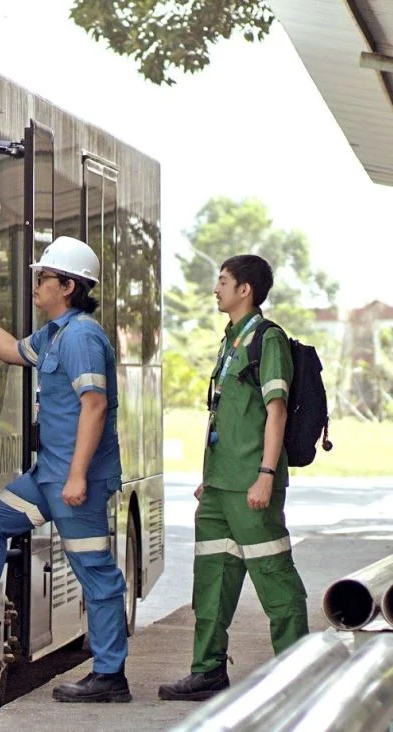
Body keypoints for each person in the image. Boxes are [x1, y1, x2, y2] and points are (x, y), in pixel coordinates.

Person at [0, 235, 130, 704]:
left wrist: (78, 476)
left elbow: (95, 406)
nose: (35, 285)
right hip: (47, 477)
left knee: (96, 574)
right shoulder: (56, 332)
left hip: (74, 480)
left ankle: (110, 676)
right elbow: (8, 350)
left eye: (43, 278)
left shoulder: (81, 337)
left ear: (68, 286)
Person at [158, 254, 309, 702]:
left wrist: (265, 475)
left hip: (251, 486)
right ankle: (207, 672)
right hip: (221, 488)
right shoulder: (230, 341)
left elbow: (275, 412)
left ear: (246, 289)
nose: (215, 288)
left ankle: (298, 674)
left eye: (223, 281)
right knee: (211, 583)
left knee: (275, 580)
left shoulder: (269, 339)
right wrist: (210, 476)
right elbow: (226, 411)